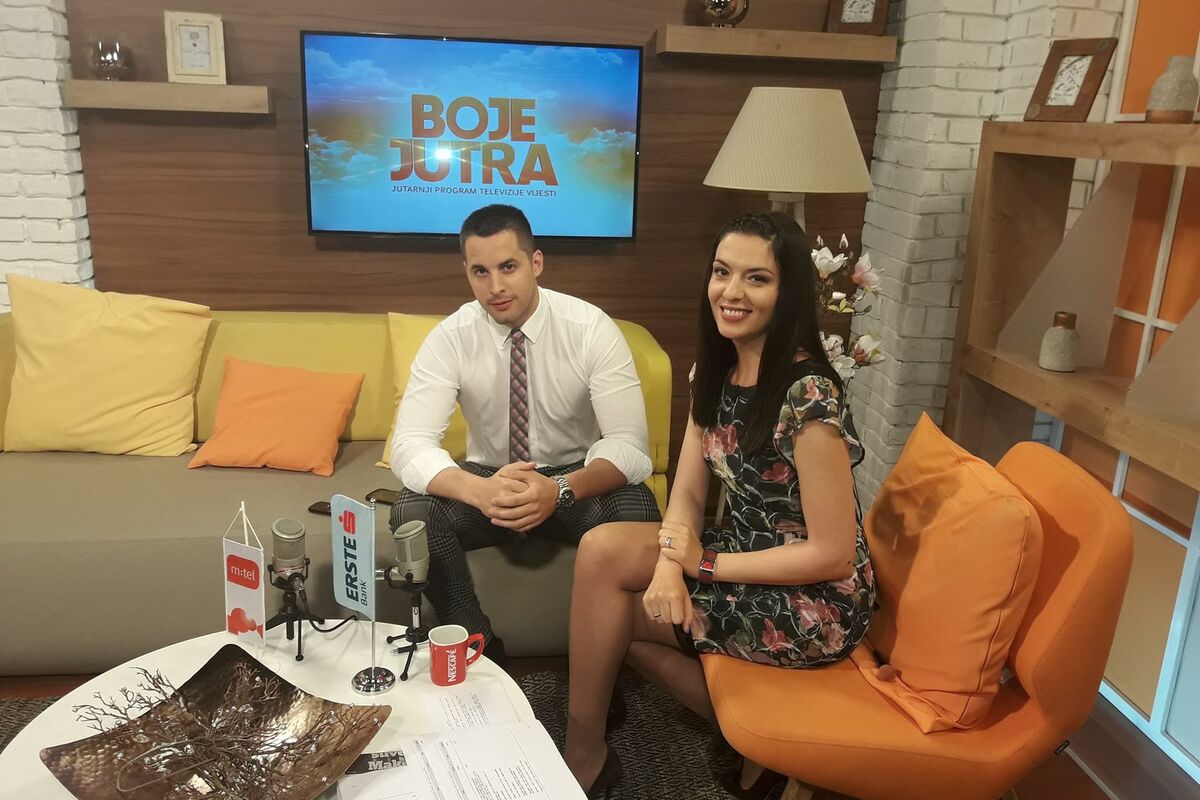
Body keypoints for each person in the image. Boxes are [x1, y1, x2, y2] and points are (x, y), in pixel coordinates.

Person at [563, 212, 876, 798]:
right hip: (743, 551)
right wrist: (667, 566)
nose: (731, 292)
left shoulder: (808, 394)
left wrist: (702, 565)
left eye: (757, 279)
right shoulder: (715, 369)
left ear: (787, 293)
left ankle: (763, 746)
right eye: (721, 272)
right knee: (601, 551)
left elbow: (834, 553)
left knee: (614, 622)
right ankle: (590, 748)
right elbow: (687, 492)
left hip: (815, 596)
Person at [389, 204, 662, 667]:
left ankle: (601, 663)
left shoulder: (589, 328)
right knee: (412, 512)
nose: (495, 286)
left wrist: (559, 489)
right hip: (490, 483)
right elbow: (409, 445)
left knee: (637, 506)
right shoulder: (451, 336)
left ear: (536, 263)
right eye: (480, 271)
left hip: (570, 481)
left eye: (508, 267)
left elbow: (630, 447)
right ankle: (478, 651)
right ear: (466, 272)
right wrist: (479, 491)